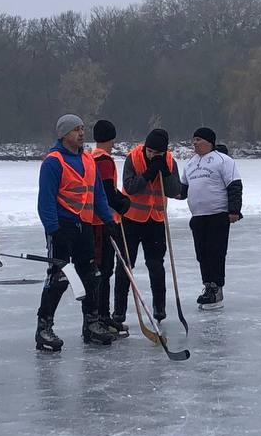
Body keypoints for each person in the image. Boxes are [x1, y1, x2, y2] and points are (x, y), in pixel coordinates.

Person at [35, 114, 119, 351]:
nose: (81, 134)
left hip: (85, 225)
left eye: (82, 129)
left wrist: (108, 219)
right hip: (62, 227)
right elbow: (46, 201)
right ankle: (44, 327)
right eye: (75, 130)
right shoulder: (54, 162)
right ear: (63, 135)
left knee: (91, 275)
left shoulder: (88, 160)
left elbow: (98, 194)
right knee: (59, 278)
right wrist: (54, 230)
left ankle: (91, 323)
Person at [115, 128, 184, 323]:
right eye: (151, 151)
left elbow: (174, 190)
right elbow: (129, 187)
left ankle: (159, 308)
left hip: (156, 219)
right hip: (131, 219)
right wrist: (148, 174)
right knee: (125, 266)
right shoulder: (133, 158)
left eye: (158, 153)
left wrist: (165, 172)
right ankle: (119, 310)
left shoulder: (170, 161)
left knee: (156, 264)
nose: (153, 155)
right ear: (146, 147)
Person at [180, 127, 243, 310]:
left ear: (209, 142)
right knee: (202, 254)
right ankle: (207, 284)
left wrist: (234, 210)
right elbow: (183, 190)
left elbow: (234, 185)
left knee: (216, 252)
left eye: (198, 139)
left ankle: (217, 287)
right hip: (198, 216)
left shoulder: (223, 161)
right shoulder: (191, 164)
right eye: (193, 139)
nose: (194, 143)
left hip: (218, 215)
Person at [89, 119, 132, 336]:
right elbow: (106, 190)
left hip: (98, 220)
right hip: (100, 222)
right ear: (111, 139)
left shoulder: (90, 156)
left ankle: (102, 316)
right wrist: (122, 202)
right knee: (103, 271)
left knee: (102, 270)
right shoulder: (103, 160)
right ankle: (101, 317)